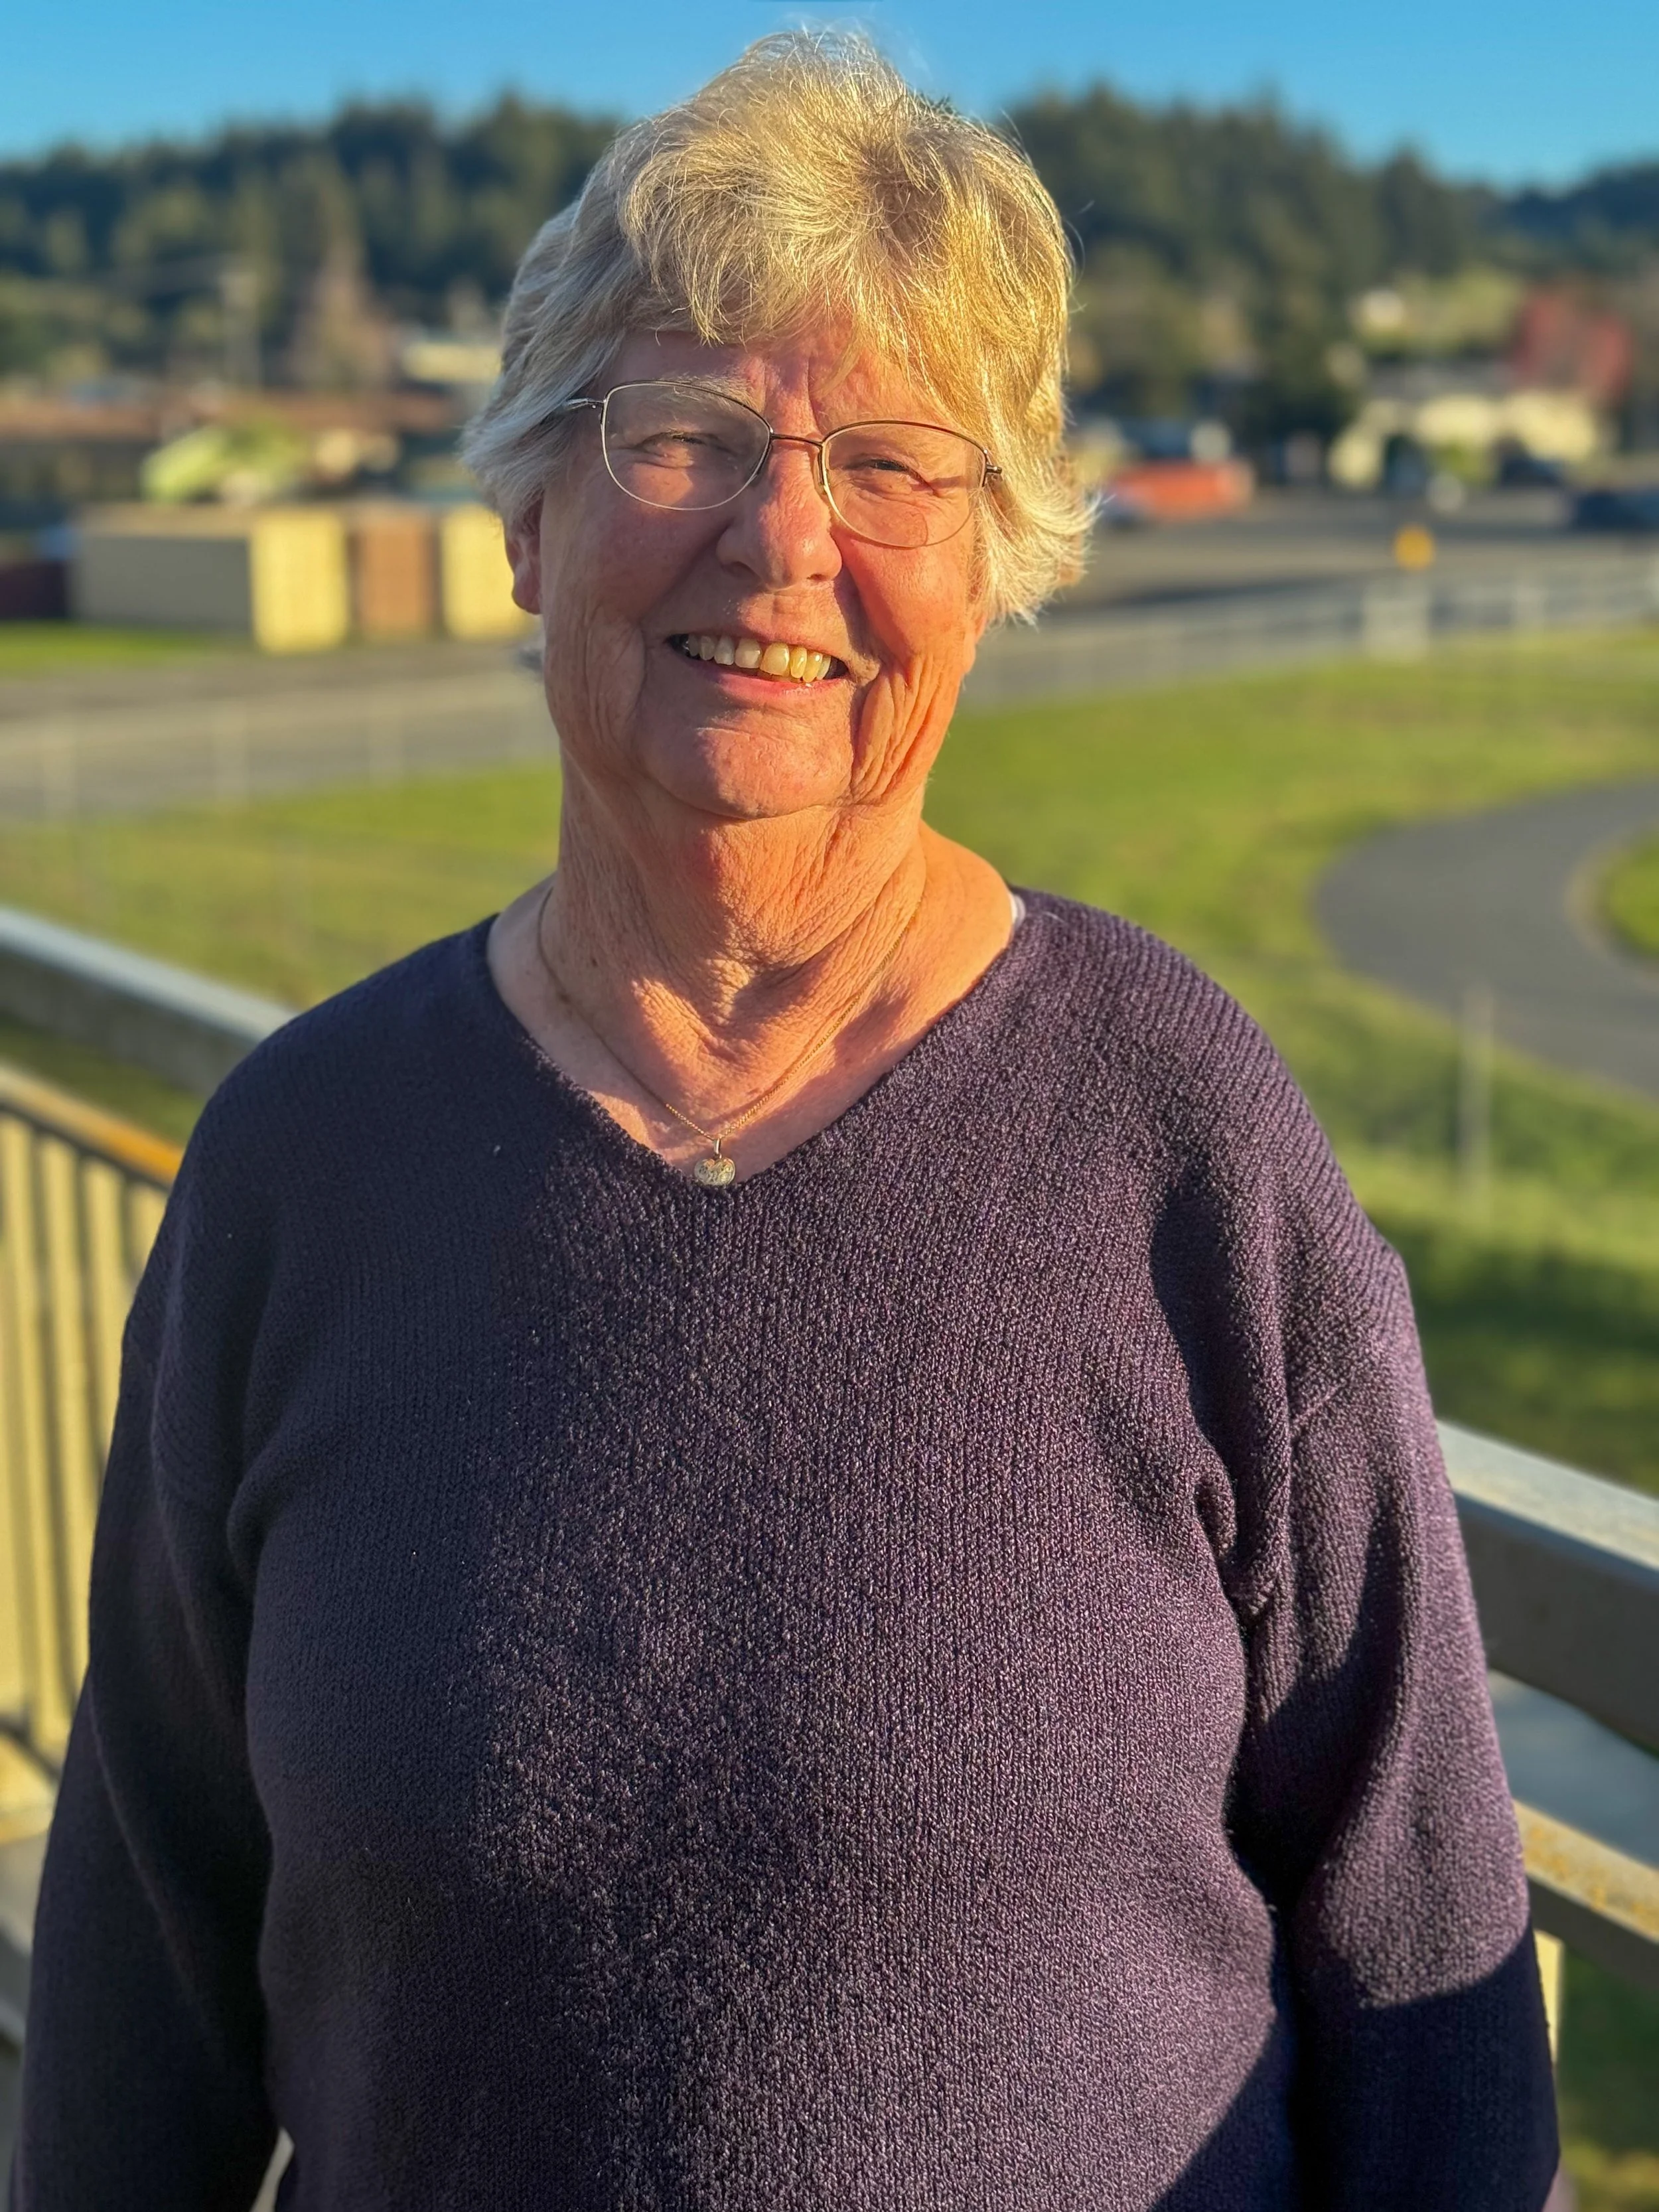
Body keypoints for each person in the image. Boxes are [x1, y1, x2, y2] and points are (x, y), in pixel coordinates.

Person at [15, 33, 1557, 2211]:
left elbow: (1425, 1984)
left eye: (895, 465)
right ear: (526, 518)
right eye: (684, 433)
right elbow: (137, 1984)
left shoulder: (1184, 1137)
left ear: (991, 570)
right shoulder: (299, 1166)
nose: (783, 536)